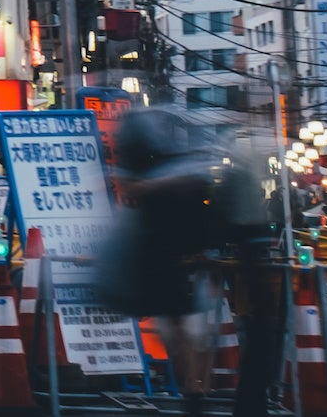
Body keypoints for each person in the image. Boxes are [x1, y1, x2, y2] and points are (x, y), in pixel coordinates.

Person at [96, 105, 226, 417]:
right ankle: (193, 394)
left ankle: (195, 393)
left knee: (187, 328)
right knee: (180, 327)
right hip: (167, 247)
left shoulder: (168, 162)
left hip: (176, 247)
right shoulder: (160, 164)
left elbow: (134, 186)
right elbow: (132, 186)